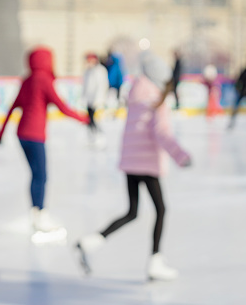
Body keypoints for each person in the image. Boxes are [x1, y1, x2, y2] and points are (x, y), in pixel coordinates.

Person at [76, 51, 192, 281]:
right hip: (147, 164)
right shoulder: (157, 100)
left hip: (130, 163)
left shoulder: (136, 95)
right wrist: (180, 156)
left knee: (132, 211)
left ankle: (91, 242)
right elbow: (161, 132)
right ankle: (155, 261)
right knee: (160, 209)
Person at [0, 47, 89, 233]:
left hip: (22, 134)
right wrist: (83, 118)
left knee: (36, 175)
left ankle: (36, 214)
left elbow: (12, 108)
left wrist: (0, 135)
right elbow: (61, 105)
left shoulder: (28, 80)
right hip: (35, 135)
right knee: (41, 175)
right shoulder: (43, 80)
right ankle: (40, 215)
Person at [82, 53, 109, 147]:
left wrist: (98, 100)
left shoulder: (100, 70)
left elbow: (101, 86)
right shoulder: (87, 71)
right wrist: (83, 98)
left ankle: (101, 139)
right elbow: (85, 86)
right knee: (90, 121)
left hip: (98, 101)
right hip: (89, 101)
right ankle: (93, 138)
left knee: (98, 120)